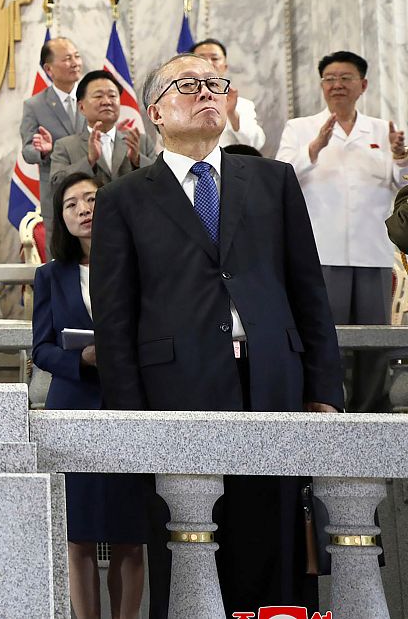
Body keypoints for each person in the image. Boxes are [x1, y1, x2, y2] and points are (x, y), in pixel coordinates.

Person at [91, 53, 343, 617]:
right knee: (190, 551)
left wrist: (324, 387)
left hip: (272, 386)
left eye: (217, 85)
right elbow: (115, 319)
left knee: (274, 547)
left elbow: (308, 291)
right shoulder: (123, 198)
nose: (208, 94)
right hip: (175, 394)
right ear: (156, 110)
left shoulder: (270, 179)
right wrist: (130, 419)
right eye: (191, 86)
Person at [32, 171, 146, 619]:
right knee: (76, 532)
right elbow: (41, 348)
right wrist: (82, 360)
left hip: (128, 408)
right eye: (71, 204)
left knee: (130, 532)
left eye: (92, 199)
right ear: (61, 218)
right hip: (73, 409)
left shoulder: (136, 265)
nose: (84, 209)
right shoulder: (50, 276)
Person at [276, 50, 408, 413]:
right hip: (321, 250)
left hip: (373, 251)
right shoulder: (299, 128)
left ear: (362, 85)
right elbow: (281, 176)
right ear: (321, 85)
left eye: (346, 78)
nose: (337, 85)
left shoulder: (384, 130)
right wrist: (315, 147)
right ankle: (328, 407)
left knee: (375, 340)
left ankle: (369, 413)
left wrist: (400, 157)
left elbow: (400, 183)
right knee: (324, 339)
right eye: (330, 78)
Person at [50, 70, 155, 190]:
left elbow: (161, 180)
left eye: (112, 96)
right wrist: (89, 161)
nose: (107, 101)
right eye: (98, 96)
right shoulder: (65, 146)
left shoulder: (141, 141)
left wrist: (137, 160)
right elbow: (56, 186)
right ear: (81, 107)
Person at [20, 37, 85, 223]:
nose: (75, 63)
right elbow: (27, 150)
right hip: (57, 194)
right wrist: (42, 152)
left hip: (93, 189)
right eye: (67, 59)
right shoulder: (34, 105)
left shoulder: (91, 97)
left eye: (77, 57)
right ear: (48, 69)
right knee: (58, 251)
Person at [190, 38, 266, 149]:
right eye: (202, 58)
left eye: (215, 58)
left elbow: (255, 144)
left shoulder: (243, 105)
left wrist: (232, 113)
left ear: (225, 67)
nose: (209, 63)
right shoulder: (179, 102)